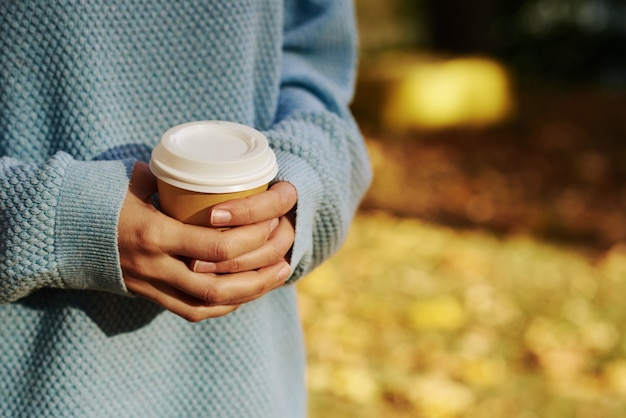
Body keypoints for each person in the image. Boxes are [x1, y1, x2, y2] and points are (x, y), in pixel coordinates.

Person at [0, 0, 371, 417]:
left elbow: (317, 77)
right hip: (35, 384)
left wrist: (303, 176)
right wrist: (55, 216)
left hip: (246, 383)